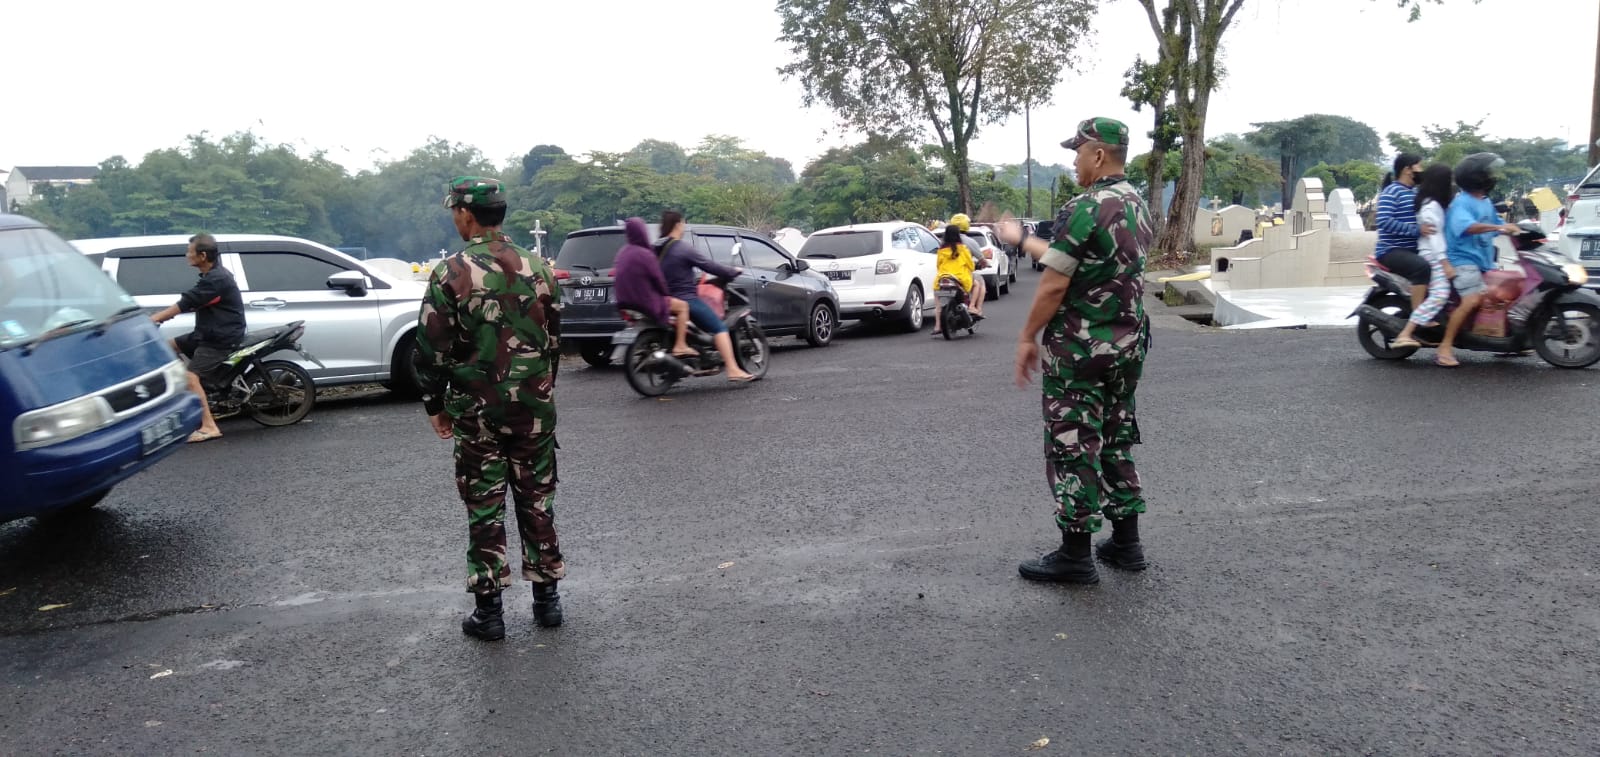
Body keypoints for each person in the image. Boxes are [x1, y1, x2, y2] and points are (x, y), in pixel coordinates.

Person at [996, 117, 1153, 585]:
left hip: (1082, 349)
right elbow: (1081, 257)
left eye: (1078, 151)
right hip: (1128, 344)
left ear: (1098, 155)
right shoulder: (1136, 203)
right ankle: (1126, 544)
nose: (1074, 159)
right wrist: (1022, 239)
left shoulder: (1085, 205)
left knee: (1073, 443)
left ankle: (1075, 554)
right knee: (1116, 435)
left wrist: (1027, 336)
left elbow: (1055, 283)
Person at [415, 176, 566, 641]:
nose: (455, 219)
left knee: (484, 506)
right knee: (537, 500)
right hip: (534, 407)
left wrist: (434, 405)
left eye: (454, 213)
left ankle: (490, 611)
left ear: (466, 215)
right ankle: (548, 601)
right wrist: (540, 390)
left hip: (477, 412)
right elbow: (554, 343)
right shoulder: (539, 268)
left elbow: (431, 349)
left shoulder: (451, 273)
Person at [149, 233, 244, 444]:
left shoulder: (216, 279)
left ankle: (209, 426)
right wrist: (159, 316)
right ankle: (193, 395)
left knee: (191, 377)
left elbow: (186, 302)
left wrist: (155, 319)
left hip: (220, 337)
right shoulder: (211, 276)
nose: (186, 255)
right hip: (206, 332)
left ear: (202, 256)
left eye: (189, 252)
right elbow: (192, 302)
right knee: (167, 348)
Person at [1436, 154, 1522, 368]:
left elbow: (1498, 222)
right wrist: (1499, 228)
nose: (1491, 176)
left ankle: (1505, 341)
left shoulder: (1484, 201)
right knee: (1472, 300)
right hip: (1463, 260)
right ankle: (1444, 347)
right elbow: (1468, 227)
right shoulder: (1462, 203)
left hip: (1483, 259)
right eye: (1487, 173)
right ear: (1476, 177)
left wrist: (1524, 229)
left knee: (1506, 293)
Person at [654, 210, 756, 383]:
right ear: (678, 224)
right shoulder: (682, 248)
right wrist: (732, 272)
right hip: (686, 298)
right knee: (719, 328)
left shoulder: (656, 247)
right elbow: (709, 266)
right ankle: (732, 369)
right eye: (683, 223)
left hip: (664, 299)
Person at [1391, 165, 1456, 349]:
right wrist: (1445, 263)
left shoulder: (1431, 203)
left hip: (1435, 254)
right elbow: (1434, 237)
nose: (1451, 185)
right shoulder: (1431, 207)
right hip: (1433, 256)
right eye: (1448, 181)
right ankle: (1406, 333)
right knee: (1440, 294)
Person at [612, 217, 694, 357]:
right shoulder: (645, 254)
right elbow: (658, 279)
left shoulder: (623, 253)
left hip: (624, 302)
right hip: (645, 301)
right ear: (642, 232)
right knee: (682, 307)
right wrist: (666, 293)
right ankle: (681, 345)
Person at [1375, 154, 1436, 310]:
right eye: (1419, 166)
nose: (1421, 170)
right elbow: (1383, 221)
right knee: (1422, 267)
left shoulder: (1415, 192)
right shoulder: (1392, 191)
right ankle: (1418, 316)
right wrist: (1416, 230)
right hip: (1391, 250)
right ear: (1407, 169)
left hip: (1413, 249)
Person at [931, 224, 975, 336]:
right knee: (977, 284)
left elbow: (938, 265)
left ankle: (937, 326)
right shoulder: (963, 248)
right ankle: (971, 308)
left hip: (943, 278)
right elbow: (971, 266)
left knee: (938, 304)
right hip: (961, 278)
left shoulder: (941, 250)